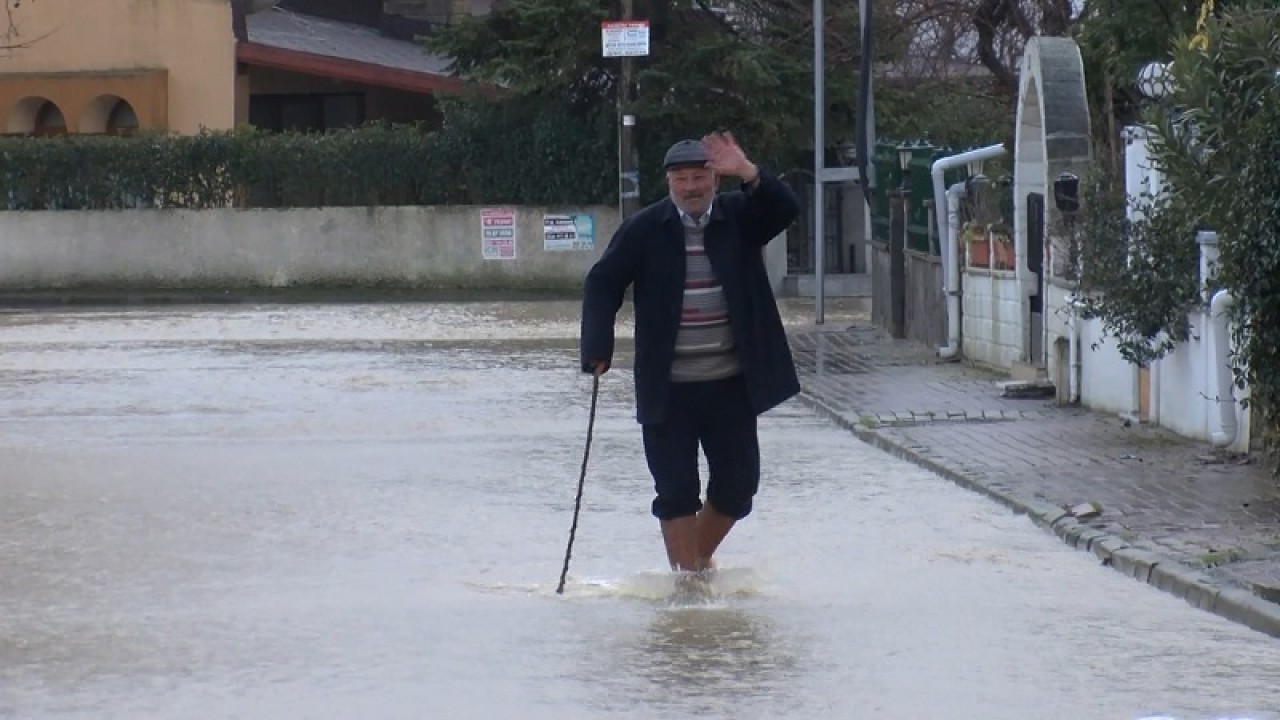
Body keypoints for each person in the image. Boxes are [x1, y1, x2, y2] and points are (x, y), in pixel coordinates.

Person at [580, 131, 802, 578]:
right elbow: (603, 282)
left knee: (739, 487)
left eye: (699, 177)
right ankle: (689, 587)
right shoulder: (645, 229)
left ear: (714, 180)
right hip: (668, 387)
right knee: (675, 489)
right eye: (680, 179)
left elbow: (785, 209)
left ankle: (693, 565)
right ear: (669, 184)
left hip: (732, 383)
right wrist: (597, 349)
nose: (690, 188)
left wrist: (750, 172)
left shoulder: (740, 217)